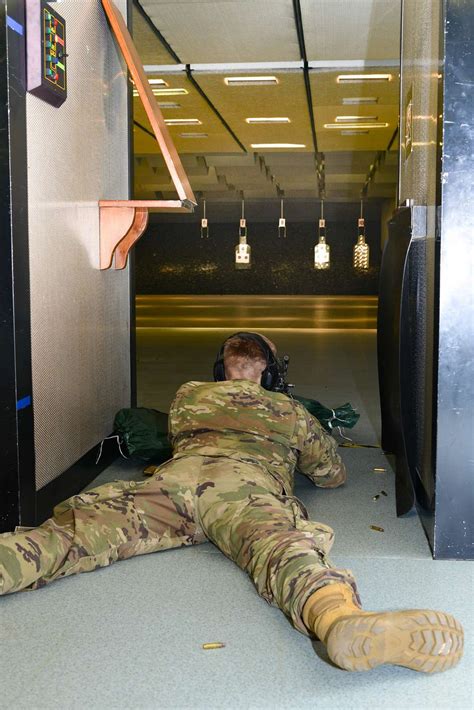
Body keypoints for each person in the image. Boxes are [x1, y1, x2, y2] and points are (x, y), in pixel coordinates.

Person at [0, 333, 463, 673]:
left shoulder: (188, 396)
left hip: (174, 484)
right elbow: (330, 475)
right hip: (245, 492)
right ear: (271, 372)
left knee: (73, 535)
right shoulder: (288, 411)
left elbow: (178, 436)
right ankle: (338, 617)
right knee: (283, 550)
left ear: (220, 370)